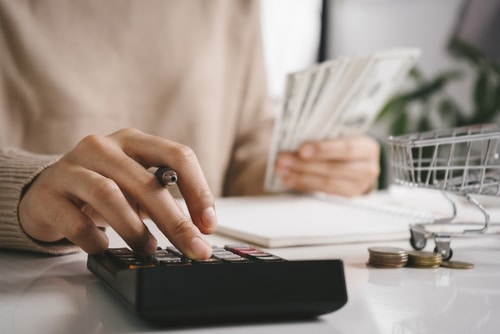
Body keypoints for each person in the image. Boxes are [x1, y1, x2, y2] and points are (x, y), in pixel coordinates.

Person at [0, 1, 380, 259]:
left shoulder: (230, 6)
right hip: (35, 277)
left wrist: (312, 165)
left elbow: (247, 148)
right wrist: (25, 188)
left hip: (200, 270)